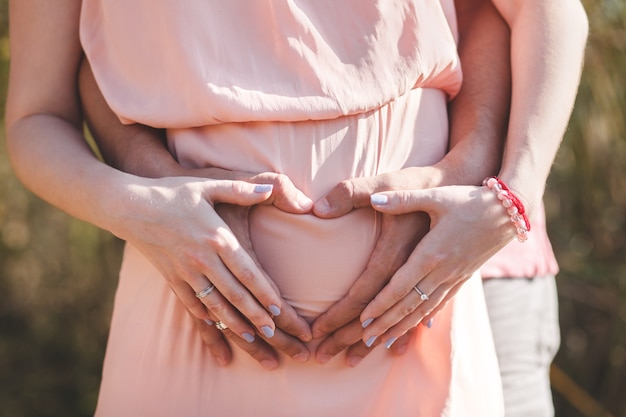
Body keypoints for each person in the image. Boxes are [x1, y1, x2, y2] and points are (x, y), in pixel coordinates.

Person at [4, 1, 587, 417]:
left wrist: (509, 196)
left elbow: (541, 10)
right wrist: (141, 205)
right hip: (200, 308)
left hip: (424, 303)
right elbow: (43, 108)